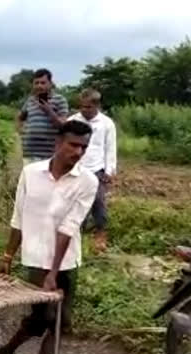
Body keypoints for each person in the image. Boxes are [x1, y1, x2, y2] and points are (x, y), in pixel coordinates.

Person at [0, 120, 98, 354]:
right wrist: (7, 256)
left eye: (83, 147)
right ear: (58, 143)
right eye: (73, 144)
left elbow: (70, 227)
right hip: (36, 259)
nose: (78, 152)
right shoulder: (31, 173)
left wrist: (55, 272)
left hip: (67, 261)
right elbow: (18, 217)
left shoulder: (87, 181)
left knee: (61, 324)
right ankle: (5, 352)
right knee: (42, 319)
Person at [68, 88, 117, 253]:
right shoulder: (73, 120)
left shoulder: (106, 123)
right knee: (76, 202)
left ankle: (100, 234)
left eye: (88, 107)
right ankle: (76, 235)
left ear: (97, 106)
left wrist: (109, 170)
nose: (84, 110)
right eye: (81, 106)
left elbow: (110, 148)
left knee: (98, 202)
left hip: (97, 169)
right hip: (76, 168)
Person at [17, 69, 69, 165]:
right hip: (29, 153)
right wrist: (21, 131)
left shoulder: (60, 100)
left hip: (50, 154)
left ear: (50, 83)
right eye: (36, 83)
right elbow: (20, 117)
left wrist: (49, 111)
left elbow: (63, 126)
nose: (39, 86)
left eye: (43, 83)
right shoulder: (30, 100)